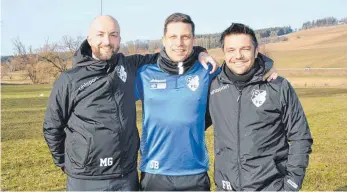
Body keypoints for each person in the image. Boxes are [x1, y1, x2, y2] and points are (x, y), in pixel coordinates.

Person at [43, 15, 214, 191]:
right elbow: (52, 126)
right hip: (86, 178)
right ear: (89, 38)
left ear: (119, 39)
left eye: (113, 35)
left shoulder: (129, 66)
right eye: (100, 34)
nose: (107, 41)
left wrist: (199, 51)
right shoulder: (70, 79)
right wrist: (63, 161)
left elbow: (171, 54)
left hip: (126, 176)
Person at [135, 13, 275, 191]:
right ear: (164, 39)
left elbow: (239, 69)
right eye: (173, 37)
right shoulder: (144, 74)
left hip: (195, 173)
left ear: (193, 39)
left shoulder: (207, 71)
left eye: (185, 37)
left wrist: (266, 64)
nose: (179, 43)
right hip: (154, 173)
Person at [208, 23, 313, 191]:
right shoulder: (213, 88)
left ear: (256, 51)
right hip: (227, 187)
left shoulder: (278, 86)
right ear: (224, 53)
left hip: (271, 187)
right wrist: (199, 52)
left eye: (245, 49)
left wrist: (292, 184)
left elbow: (301, 137)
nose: (238, 55)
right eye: (231, 50)